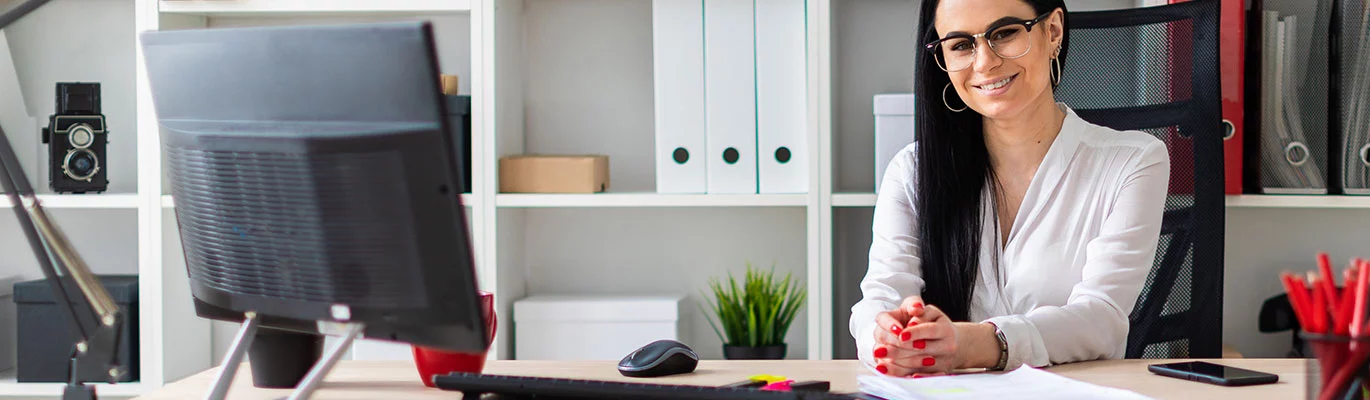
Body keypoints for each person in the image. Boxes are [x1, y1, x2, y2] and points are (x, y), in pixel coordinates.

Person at [849, 0, 1171, 377]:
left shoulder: (1133, 161)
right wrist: (888, 336)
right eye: (960, 45)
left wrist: (973, 345)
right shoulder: (912, 171)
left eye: (1004, 34)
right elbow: (880, 297)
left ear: (1053, 32)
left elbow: (1102, 318)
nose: (984, 63)